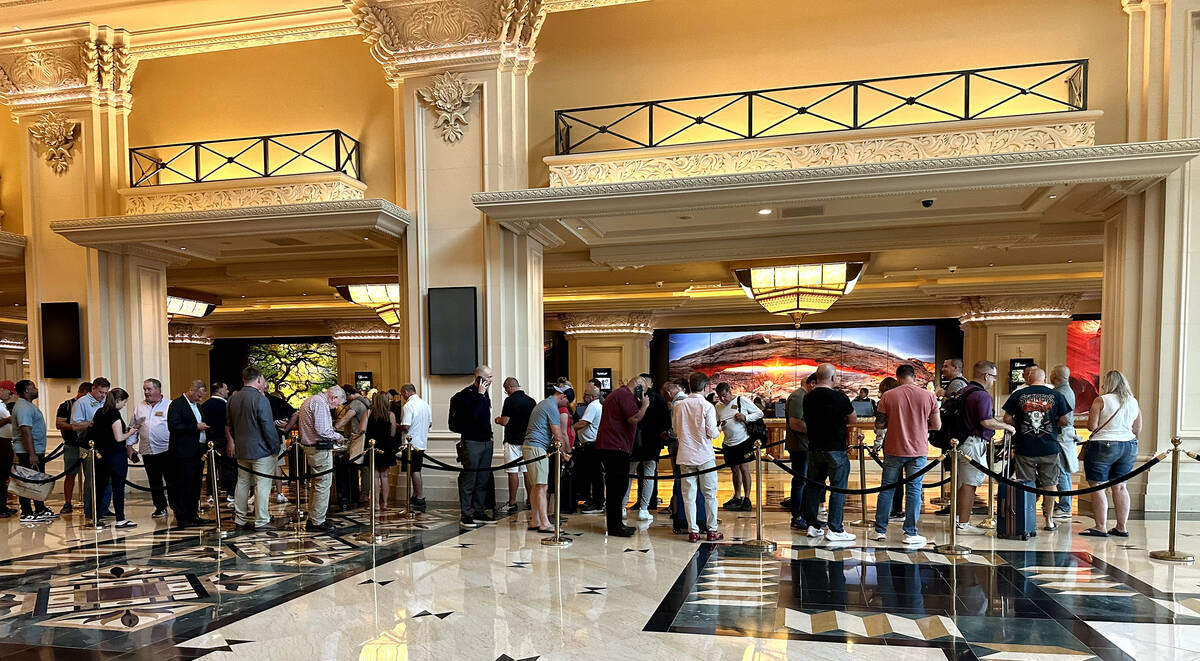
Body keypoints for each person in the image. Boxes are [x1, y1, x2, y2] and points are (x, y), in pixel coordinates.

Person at [872, 364, 940, 546]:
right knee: (914, 489)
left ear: (898, 377)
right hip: (918, 450)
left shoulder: (888, 396)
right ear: (914, 376)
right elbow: (937, 425)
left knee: (887, 488)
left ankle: (880, 530)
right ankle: (910, 532)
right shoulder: (929, 395)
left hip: (893, 448)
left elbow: (879, 425)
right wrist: (920, 425)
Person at [1002, 366, 1072, 532]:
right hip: (1049, 446)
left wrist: (1020, 423)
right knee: (1050, 484)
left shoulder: (1018, 395)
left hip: (1025, 446)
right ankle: (1048, 520)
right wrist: (1052, 425)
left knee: (1027, 484)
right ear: (1045, 377)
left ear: (1028, 379)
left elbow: (1006, 418)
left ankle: (1029, 519)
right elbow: (1066, 420)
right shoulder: (1057, 395)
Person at [953, 361, 1014, 534]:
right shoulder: (982, 396)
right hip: (972, 443)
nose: (994, 381)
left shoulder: (963, 391)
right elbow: (986, 421)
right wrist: (1007, 427)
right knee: (970, 484)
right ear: (986, 376)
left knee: (964, 483)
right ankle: (963, 524)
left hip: (960, 442)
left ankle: (958, 519)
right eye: (994, 377)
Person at [1080, 370, 1142, 538]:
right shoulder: (1133, 402)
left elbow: (1091, 426)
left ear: (1108, 384)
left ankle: (1100, 526)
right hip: (1129, 445)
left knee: (1099, 486)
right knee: (1121, 486)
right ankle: (1121, 527)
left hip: (1103, 445)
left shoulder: (1101, 400)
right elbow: (1137, 429)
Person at [802, 363, 857, 543]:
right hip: (836, 448)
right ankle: (835, 528)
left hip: (814, 448)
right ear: (833, 378)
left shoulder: (808, 397)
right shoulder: (840, 397)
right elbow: (852, 419)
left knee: (814, 487)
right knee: (837, 488)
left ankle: (813, 525)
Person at [595, 375, 651, 537]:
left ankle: (617, 524)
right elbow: (633, 419)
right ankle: (615, 527)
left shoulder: (618, 394)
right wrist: (645, 406)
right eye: (643, 391)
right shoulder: (625, 395)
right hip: (615, 447)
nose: (642, 395)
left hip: (612, 445)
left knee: (617, 487)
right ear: (639, 387)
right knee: (617, 487)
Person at [228, 366, 281, 530]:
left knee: (242, 483)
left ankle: (240, 519)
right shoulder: (260, 399)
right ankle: (261, 520)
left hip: (242, 450)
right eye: (263, 380)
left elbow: (230, 425)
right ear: (258, 379)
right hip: (261, 451)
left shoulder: (233, 399)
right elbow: (267, 426)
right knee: (262, 485)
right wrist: (275, 447)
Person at [673, 371, 723, 543]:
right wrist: (719, 429)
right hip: (704, 455)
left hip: (685, 454)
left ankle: (693, 531)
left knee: (688, 496)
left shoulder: (678, 406)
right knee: (709, 494)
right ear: (705, 386)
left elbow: (676, 429)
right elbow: (712, 433)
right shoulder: (707, 406)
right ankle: (712, 530)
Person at [448, 365, 494, 528]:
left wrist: (483, 396)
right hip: (472, 442)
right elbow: (472, 416)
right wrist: (480, 396)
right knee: (470, 478)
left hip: (486, 441)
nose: (491, 380)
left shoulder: (485, 395)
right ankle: (466, 514)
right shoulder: (464, 396)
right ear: (479, 378)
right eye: (488, 377)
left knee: (483, 479)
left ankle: (479, 511)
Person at [88, 387, 141, 529]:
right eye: (124, 401)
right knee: (118, 487)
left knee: (100, 487)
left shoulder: (99, 412)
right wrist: (132, 431)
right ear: (118, 400)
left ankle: (96, 517)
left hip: (101, 455)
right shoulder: (114, 415)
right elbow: (119, 438)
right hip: (116, 455)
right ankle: (120, 519)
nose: (124, 404)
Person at [523, 384, 572, 533]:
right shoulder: (552, 407)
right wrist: (565, 453)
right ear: (563, 397)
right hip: (537, 448)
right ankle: (544, 523)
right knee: (542, 486)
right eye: (568, 402)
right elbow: (558, 435)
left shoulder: (545, 403)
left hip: (530, 447)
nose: (567, 406)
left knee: (537, 486)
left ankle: (535, 520)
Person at [297, 386, 347, 532]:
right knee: (323, 484)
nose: (336, 407)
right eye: (337, 404)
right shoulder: (320, 403)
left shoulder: (312, 400)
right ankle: (317, 521)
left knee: (317, 483)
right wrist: (338, 436)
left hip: (311, 446)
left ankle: (315, 517)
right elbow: (322, 429)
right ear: (334, 397)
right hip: (318, 448)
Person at [167, 380, 211, 528]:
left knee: (195, 484)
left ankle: (193, 514)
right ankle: (182, 516)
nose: (200, 399)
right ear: (191, 390)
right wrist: (195, 427)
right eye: (198, 396)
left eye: (202, 397)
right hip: (182, 452)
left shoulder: (197, 406)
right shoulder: (177, 405)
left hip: (198, 451)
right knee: (183, 485)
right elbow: (173, 426)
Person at [715, 382, 764, 512]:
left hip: (743, 440)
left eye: (724, 396)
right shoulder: (718, 406)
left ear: (729, 392)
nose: (722, 399)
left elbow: (759, 413)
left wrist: (745, 417)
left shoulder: (741, 400)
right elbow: (716, 422)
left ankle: (747, 498)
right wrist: (720, 424)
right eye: (720, 397)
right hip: (728, 443)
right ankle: (737, 496)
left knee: (744, 468)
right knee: (734, 470)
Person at [12, 379, 56, 523]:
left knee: (36, 480)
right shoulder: (23, 407)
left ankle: (40, 508)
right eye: (33, 387)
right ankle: (26, 511)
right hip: (28, 451)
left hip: (35, 449)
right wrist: (31, 453)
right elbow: (25, 431)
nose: (36, 389)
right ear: (26, 390)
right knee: (27, 480)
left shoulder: (28, 405)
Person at [629, 378, 670, 521]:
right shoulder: (659, 400)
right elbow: (666, 423)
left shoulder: (631, 398)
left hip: (634, 443)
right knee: (648, 474)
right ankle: (644, 509)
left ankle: (623, 507)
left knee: (629, 474)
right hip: (652, 444)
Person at [72, 377, 112, 519]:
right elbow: (75, 425)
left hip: (105, 446)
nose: (103, 395)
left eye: (106, 393)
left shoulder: (106, 403)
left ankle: (104, 507)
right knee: (91, 479)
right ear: (93, 389)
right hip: (88, 445)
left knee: (107, 479)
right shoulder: (81, 403)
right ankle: (90, 510)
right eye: (101, 392)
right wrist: (94, 423)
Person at [495, 377, 535, 515]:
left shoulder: (510, 400)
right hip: (527, 441)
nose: (507, 392)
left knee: (513, 472)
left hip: (512, 441)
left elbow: (505, 421)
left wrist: (497, 420)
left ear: (509, 387)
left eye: (506, 390)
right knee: (527, 472)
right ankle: (530, 501)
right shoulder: (531, 401)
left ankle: (512, 503)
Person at [132, 379, 171, 519]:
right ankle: (160, 507)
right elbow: (134, 427)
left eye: (149, 389)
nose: (146, 392)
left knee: (171, 480)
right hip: (147, 450)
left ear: (158, 390)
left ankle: (176, 507)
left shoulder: (169, 405)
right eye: (144, 389)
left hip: (166, 450)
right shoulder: (140, 407)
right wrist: (130, 446)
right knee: (154, 481)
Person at [784, 373, 817, 529]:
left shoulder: (804, 396)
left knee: (805, 482)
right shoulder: (798, 397)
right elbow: (795, 423)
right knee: (800, 482)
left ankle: (806, 516)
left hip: (806, 445)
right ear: (812, 383)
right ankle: (797, 516)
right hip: (800, 446)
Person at [53, 382, 91, 515]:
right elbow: (59, 424)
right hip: (71, 444)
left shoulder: (91, 405)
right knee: (70, 474)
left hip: (87, 445)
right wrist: (77, 426)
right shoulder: (66, 405)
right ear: (83, 392)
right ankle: (67, 502)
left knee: (90, 475)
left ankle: (90, 502)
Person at [1049, 365, 1080, 519]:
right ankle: (1065, 504)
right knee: (1064, 471)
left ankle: (1065, 506)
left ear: (1054, 376)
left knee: (1060, 470)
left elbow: (1063, 419)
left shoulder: (1059, 393)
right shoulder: (1068, 391)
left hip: (1061, 436)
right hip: (1066, 436)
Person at [360, 391, 397, 509]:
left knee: (375, 476)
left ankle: (376, 503)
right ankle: (385, 503)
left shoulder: (368, 412)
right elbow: (393, 433)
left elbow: (361, 429)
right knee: (385, 476)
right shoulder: (390, 415)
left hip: (372, 447)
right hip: (386, 447)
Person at [334, 387, 370, 510]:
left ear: (348, 394)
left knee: (356, 466)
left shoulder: (355, 403)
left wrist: (334, 428)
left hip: (358, 438)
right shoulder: (365, 401)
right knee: (363, 467)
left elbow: (347, 418)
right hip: (363, 438)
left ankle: (358, 495)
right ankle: (363, 493)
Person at [873, 376, 903, 520]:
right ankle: (898, 509)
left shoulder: (884, 401)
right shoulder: (901, 400)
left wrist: (877, 444)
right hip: (905, 443)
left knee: (889, 480)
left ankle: (886, 512)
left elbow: (880, 428)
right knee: (901, 479)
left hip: (890, 443)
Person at [572, 383, 605, 515]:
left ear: (591, 396)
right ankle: (594, 500)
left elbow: (584, 423)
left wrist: (569, 428)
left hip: (592, 445)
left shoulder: (593, 406)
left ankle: (598, 503)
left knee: (595, 475)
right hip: (593, 444)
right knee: (593, 475)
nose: (583, 396)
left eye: (585, 394)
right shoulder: (597, 405)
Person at [399, 383, 432, 511]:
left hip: (411, 444)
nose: (402, 396)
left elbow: (406, 426)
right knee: (415, 470)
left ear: (406, 392)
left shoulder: (408, 405)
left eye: (402, 394)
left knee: (414, 470)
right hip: (421, 442)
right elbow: (430, 423)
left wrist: (396, 426)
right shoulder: (425, 404)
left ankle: (419, 496)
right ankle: (415, 495)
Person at [200, 382, 233, 503]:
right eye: (226, 389)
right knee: (229, 466)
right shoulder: (227, 406)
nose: (228, 391)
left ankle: (210, 493)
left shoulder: (204, 406)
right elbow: (229, 424)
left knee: (211, 468)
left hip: (209, 441)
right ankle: (230, 493)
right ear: (220, 391)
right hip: (225, 440)